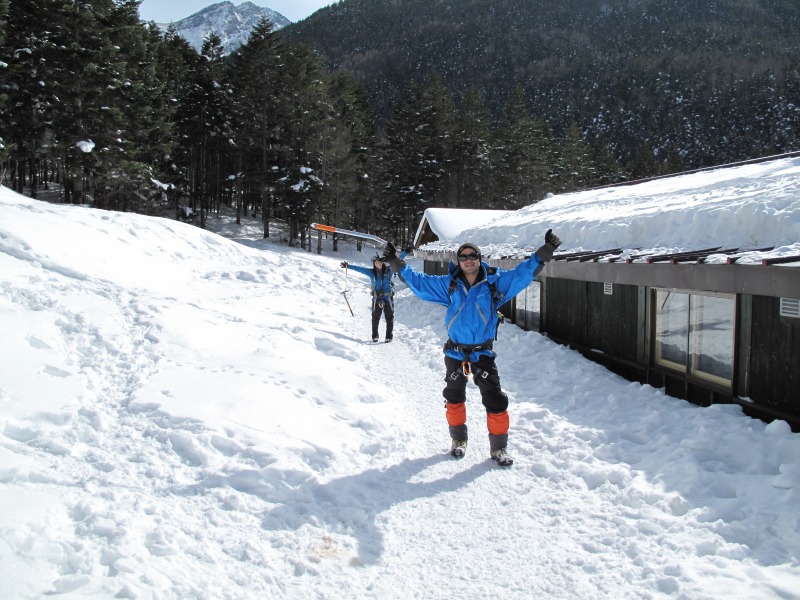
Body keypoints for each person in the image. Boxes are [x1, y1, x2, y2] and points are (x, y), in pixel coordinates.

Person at [381, 230, 562, 466]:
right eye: (464, 256)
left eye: (473, 255)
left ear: (479, 259)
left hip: (482, 353)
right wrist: (396, 262)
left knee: (495, 399)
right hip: (455, 352)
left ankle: (499, 449)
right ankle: (458, 441)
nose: (468, 259)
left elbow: (523, 274)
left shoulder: (494, 284)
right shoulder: (450, 286)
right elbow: (418, 282)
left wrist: (545, 251)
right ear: (459, 261)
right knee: (454, 397)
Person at [340, 253, 397, 343]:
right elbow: (360, 269)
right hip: (377, 298)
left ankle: (389, 336)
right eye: (376, 262)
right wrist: (348, 266)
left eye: (379, 262)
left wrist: (406, 251)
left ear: (383, 262)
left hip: (388, 297)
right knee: (375, 317)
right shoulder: (371, 273)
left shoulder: (389, 271)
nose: (377, 264)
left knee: (389, 317)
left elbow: (397, 261)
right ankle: (375, 336)